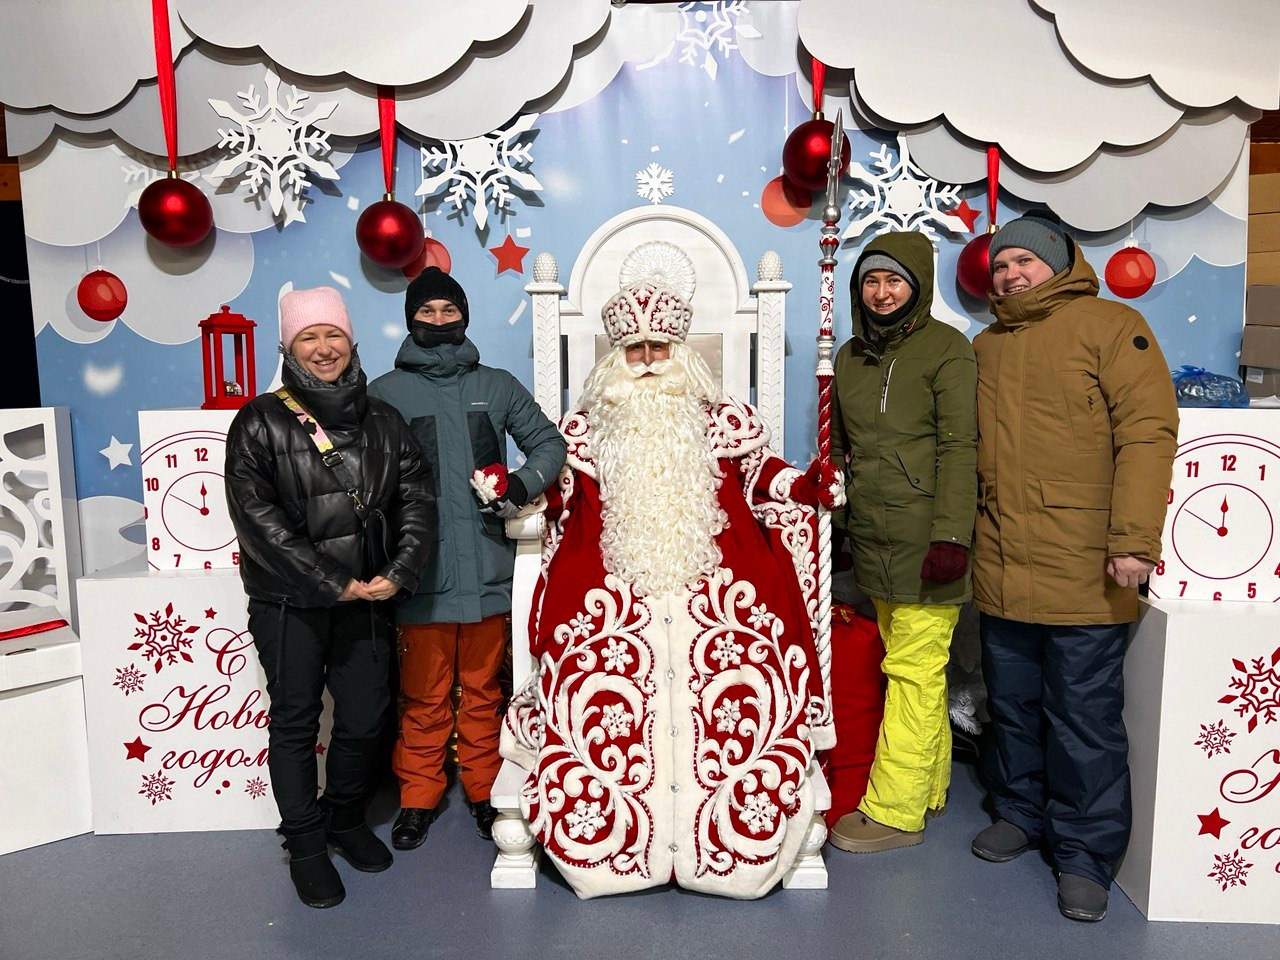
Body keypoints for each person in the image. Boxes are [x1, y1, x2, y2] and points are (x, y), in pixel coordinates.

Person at [499, 278, 842, 899]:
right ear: (614, 359)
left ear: (682, 352)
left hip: (716, 577)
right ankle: (611, 848)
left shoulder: (723, 421)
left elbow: (764, 475)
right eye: (636, 350)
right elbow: (556, 490)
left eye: (661, 347)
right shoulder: (582, 431)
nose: (650, 361)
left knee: (749, 652)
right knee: (588, 657)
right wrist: (515, 487)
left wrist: (807, 486)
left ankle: (736, 842)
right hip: (610, 580)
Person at [969, 213, 1178, 922]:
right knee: (1014, 706)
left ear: (1059, 263)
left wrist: (1133, 541)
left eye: (1024, 261)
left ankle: (1085, 852)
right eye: (1001, 266)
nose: (1010, 275)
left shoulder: (1111, 326)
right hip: (1002, 561)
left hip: (1085, 562)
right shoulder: (986, 346)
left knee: (1084, 717)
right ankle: (1021, 812)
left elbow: (1148, 432)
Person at [225, 285, 434, 909]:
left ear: (352, 342)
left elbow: (417, 501)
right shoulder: (259, 420)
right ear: (287, 346)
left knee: (367, 717)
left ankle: (344, 816)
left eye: (333, 335)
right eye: (308, 337)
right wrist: (330, 582)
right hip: (290, 603)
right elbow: (257, 519)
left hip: (369, 597)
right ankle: (307, 844)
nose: (323, 348)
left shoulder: (385, 419)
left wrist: (399, 570)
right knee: (294, 722)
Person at [368, 267, 566, 850]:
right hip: (420, 573)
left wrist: (521, 484)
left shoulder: (498, 385)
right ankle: (417, 797)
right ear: (410, 320)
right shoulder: (384, 393)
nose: (437, 320)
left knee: (484, 691)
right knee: (425, 695)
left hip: (485, 569)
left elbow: (548, 444)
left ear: (464, 316)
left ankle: (484, 789)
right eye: (425, 313)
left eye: (447, 311)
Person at [828, 231, 977, 853]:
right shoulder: (850, 357)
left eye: (895, 281)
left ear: (916, 284)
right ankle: (929, 786)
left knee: (913, 669)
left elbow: (959, 446)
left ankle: (894, 813)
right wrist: (834, 510)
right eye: (871, 281)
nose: (883, 293)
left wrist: (950, 534)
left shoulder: (948, 350)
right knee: (915, 668)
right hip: (872, 533)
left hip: (924, 536)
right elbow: (840, 446)